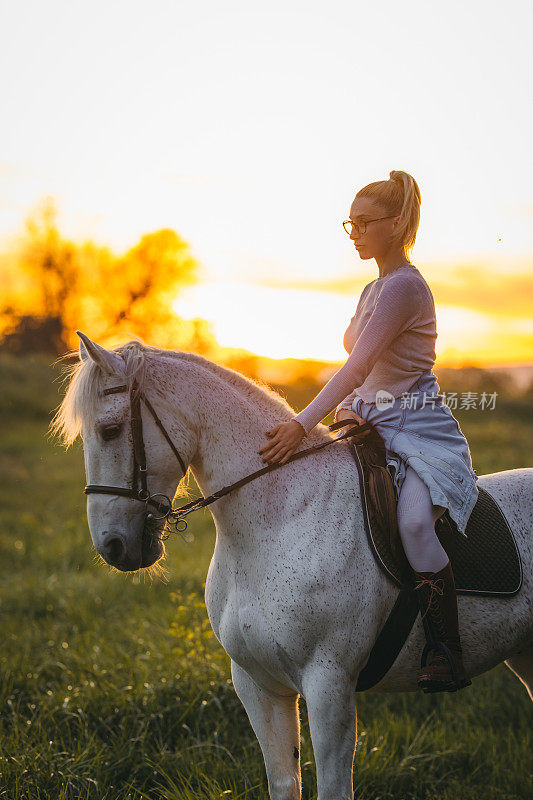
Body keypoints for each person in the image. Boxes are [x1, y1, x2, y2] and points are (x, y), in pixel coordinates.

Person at [258, 170, 479, 693]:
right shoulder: (372, 287)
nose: (354, 232)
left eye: (364, 222)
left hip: (421, 435)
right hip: (374, 425)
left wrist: (299, 425)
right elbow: (368, 380)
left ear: (397, 222)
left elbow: (357, 368)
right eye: (349, 223)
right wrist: (350, 411)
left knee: (414, 525)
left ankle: (445, 649)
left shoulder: (405, 286)